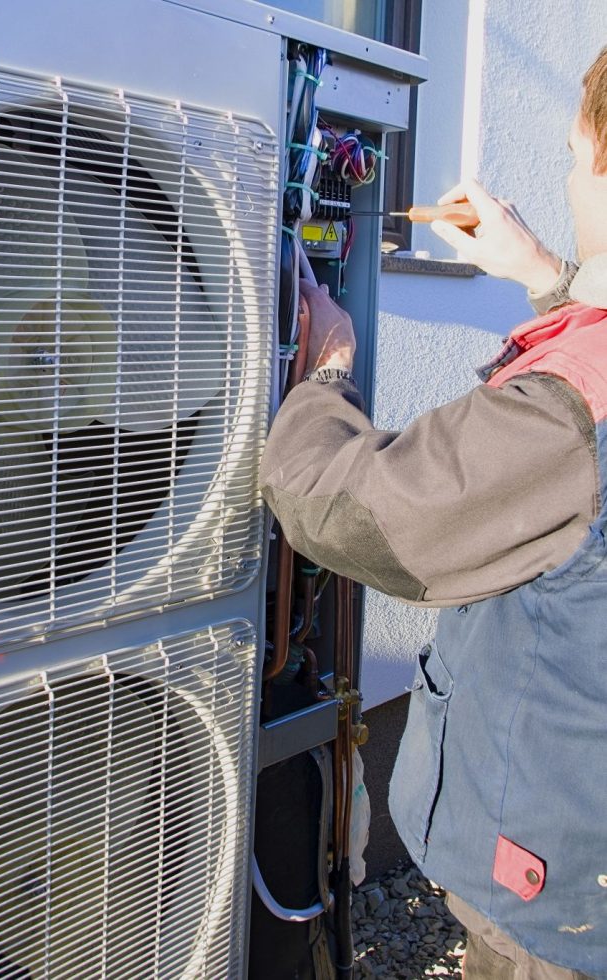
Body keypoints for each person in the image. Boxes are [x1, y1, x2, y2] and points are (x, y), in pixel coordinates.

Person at [259, 48, 607, 980]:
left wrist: (326, 369)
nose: (569, 178)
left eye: (577, 160)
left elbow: (350, 515)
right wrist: (543, 274)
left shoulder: (567, 416)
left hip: (563, 899)